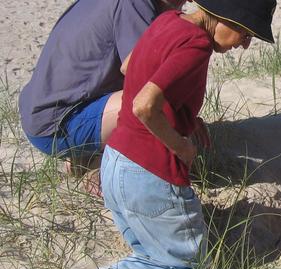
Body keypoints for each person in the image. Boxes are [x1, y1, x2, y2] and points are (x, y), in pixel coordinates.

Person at [95, 0, 276, 269]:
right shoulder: (197, 45)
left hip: (115, 162)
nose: (245, 44)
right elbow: (144, 106)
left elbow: (130, 66)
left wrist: (185, 118)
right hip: (150, 173)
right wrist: (181, 146)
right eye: (246, 34)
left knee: (149, 259)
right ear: (228, 16)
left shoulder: (168, 20)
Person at [18, 0, 186, 192]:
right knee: (159, 104)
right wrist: (182, 122)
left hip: (39, 115)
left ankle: (87, 155)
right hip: (55, 129)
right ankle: (103, 165)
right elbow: (143, 73)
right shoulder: (134, 3)